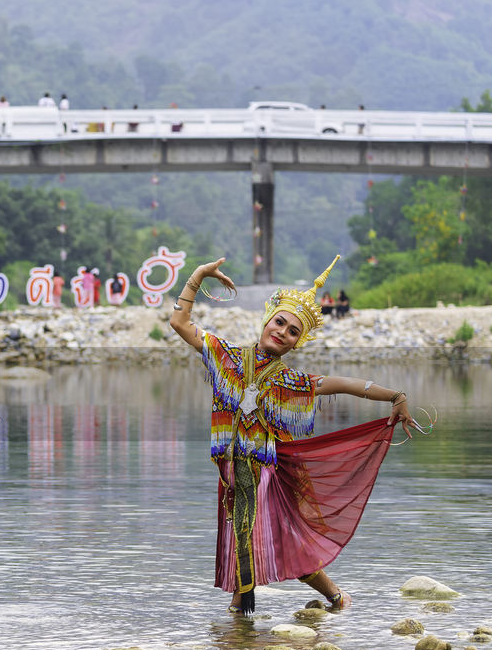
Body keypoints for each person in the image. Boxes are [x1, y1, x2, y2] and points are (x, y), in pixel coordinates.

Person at [169, 255, 416, 614]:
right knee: (256, 544)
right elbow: (179, 320)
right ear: (267, 319)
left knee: (266, 542)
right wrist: (197, 276)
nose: (282, 331)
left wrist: (396, 396)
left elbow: (346, 385)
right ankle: (302, 607)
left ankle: (265, 614)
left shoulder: (293, 382)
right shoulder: (226, 358)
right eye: (280, 322)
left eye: (292, 331)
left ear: (296, 343)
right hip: (232, 474)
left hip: (269, 475)